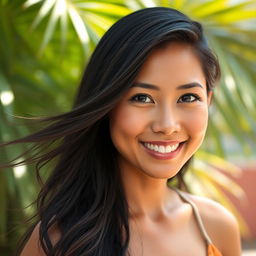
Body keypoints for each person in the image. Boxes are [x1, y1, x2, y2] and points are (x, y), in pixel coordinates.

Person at [1, 7, 241, 256]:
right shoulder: (58, 242)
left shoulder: (217, 227)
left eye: (188, 97)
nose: (167, 125)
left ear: (208, 101)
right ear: (106, 105)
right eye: (142, 98)